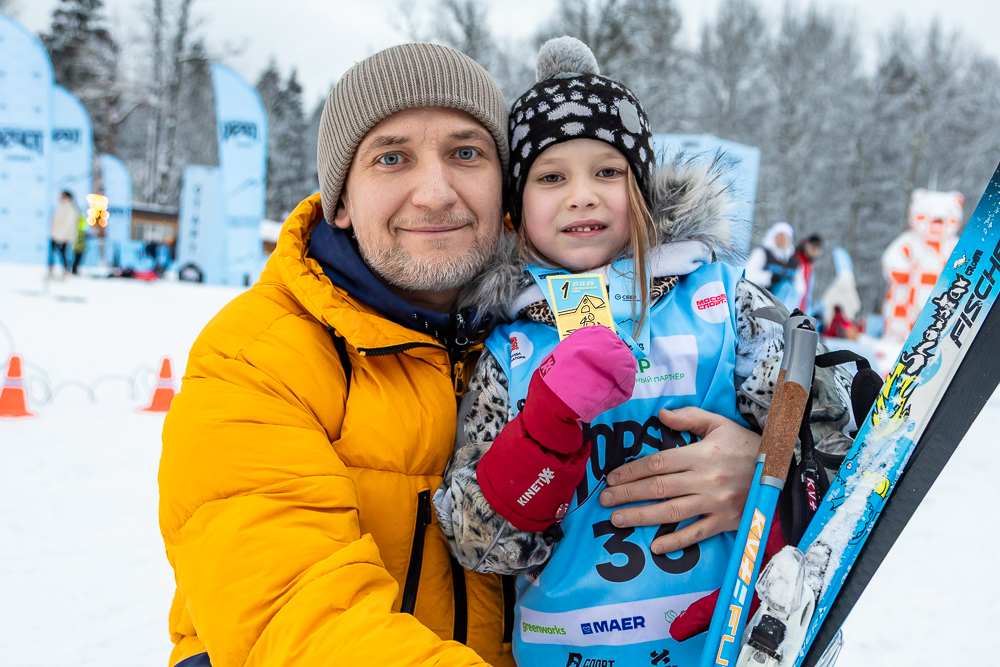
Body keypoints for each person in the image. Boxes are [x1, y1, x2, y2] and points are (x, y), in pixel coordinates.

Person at [158, 42, 779, 667]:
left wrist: (766, 472)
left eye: (465, 154)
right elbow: (299, 617)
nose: (434, 193)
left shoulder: (529, 326)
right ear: (340, 200)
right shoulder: (259, 358)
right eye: (392, 157)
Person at [433, 38, 857, 667]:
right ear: (516, 211)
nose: (583, 195)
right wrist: (544, 429)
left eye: (608, 172)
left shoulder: (721, 300)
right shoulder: (508, 348)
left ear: (642, 192)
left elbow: (832, 438)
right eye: (552, 177)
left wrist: (766, 465)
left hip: (732, 639)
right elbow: (481, 543)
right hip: (569, 650)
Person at [745, 220, 799, 310]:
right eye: (779, 237)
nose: (782, 240)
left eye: (785, 237)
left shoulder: (794, 261)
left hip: (783, 308)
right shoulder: (762, 253)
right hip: (760, 303)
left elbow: (799, 288)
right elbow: (747, 274)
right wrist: (769, 278)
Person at [49, 190, 78, 278]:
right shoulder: (62, 206)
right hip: (56, 234)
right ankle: (51, 271)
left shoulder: (70, 208)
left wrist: (58, 235)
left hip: (64, 236)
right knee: (54, 253)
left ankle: (65, 272)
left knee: (63, 254)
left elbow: (68, 224)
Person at [794, 233, 824, 314]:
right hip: (791, 306)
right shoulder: (796, 258)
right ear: (806, 244)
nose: (814, 251)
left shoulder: (810, 265)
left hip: (801, 309)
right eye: (812, 248)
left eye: (816, 250)